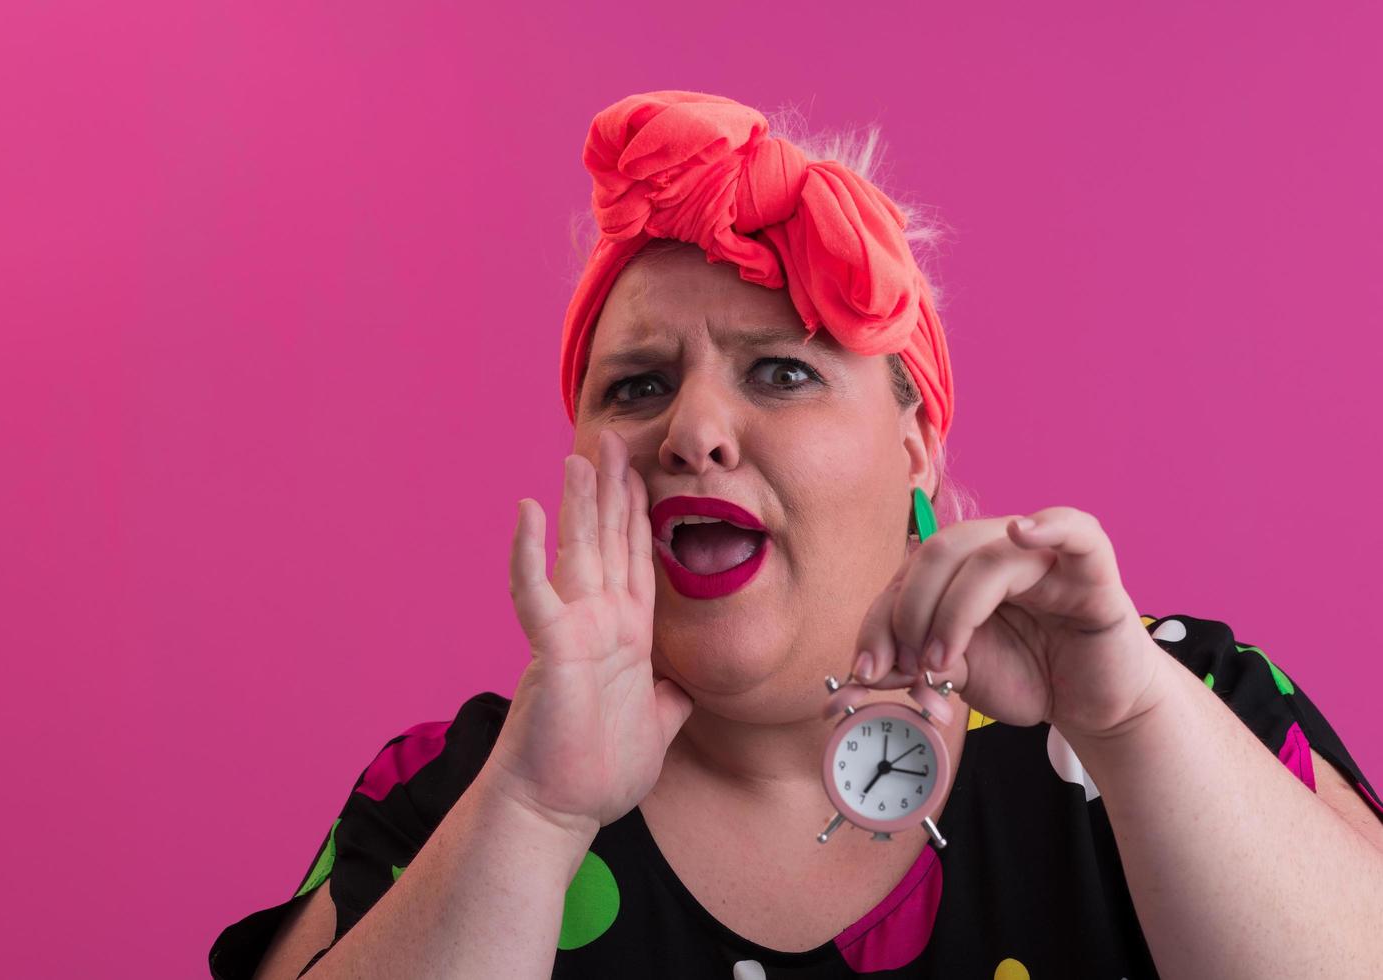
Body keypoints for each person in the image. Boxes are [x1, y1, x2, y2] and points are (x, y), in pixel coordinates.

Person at [209, 90, 1383, 979]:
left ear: (916, 440)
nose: (694, 429)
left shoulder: (1174, 701)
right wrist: (534, 814)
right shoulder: (455, 797)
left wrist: (1129, 721)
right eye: (634, 387)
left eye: (780, 370)